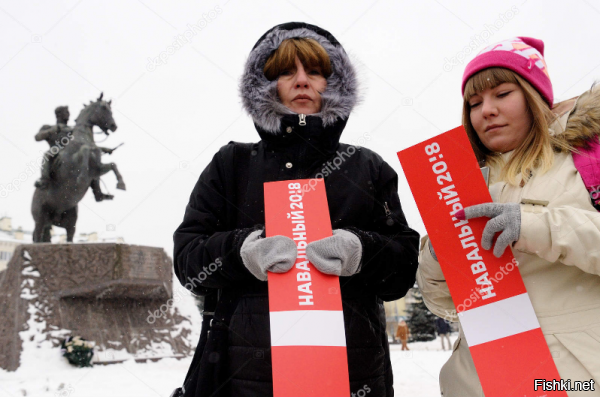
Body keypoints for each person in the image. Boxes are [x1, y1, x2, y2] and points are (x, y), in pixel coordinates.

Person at [172, 22, 419, 397]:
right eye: (286, 71)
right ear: (265, 86)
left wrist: (362, 251)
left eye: (315, 71)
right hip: (244, 382)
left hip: (353, 378)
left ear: (333, 85)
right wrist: (242, 252)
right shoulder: (232, 164)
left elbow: (402, 270)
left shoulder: (367, 167)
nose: (302, 81)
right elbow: (188, 261)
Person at [417, 36, 600, 396]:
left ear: (534, 97)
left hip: (571, 378)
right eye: (474, 102)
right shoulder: (456, 182)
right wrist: (437, 257)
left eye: (502, 94)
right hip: (478, 380)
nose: (486, 110)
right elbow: (443, 305)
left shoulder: (588, 157)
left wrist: (534, 226)